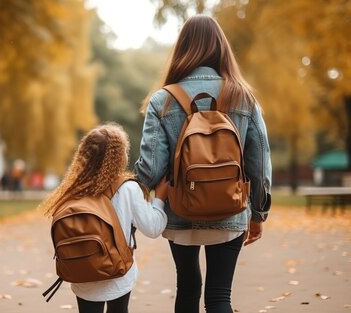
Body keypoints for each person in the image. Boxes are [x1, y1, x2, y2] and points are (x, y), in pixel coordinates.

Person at [134, 15, 272, 313]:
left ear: (182, 49)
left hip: (180, 212)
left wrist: (131, 196)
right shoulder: (242, 96)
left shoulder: (163, 100)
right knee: (220, 296)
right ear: (221, 48)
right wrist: (258, 212)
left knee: (187, 288)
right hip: (230, 210)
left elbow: (151, 167)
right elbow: (259, 162)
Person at [40, 123, 168, 313]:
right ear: (118, 158)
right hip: (118, 274)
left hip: (82, 272)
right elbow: (153, 228)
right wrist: (160, 199)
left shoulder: (73, 190)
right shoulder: (128, 188)